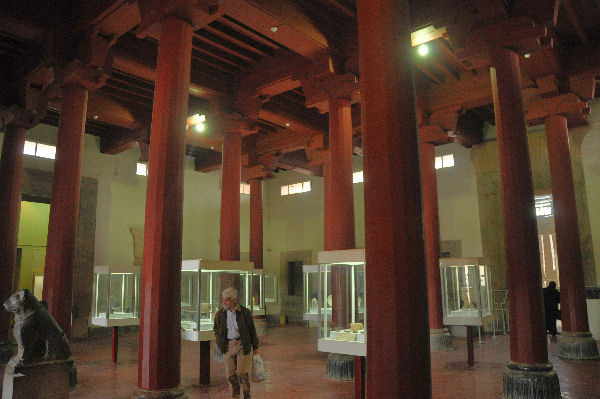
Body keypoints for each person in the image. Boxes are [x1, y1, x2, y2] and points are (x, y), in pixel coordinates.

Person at [214, 287, 259, 399]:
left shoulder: (244, 312)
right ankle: (235, 396)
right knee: (230, 375)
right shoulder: (220, 314)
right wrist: (220, 342)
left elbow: (252, 330)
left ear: (234, 300)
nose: (225, 302)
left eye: (227, 299)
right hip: (228, 346)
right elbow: (216, 329)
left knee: (242, 372)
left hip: (242, 345)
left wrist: (255, 346)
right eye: (224, 299)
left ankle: (247, 395)